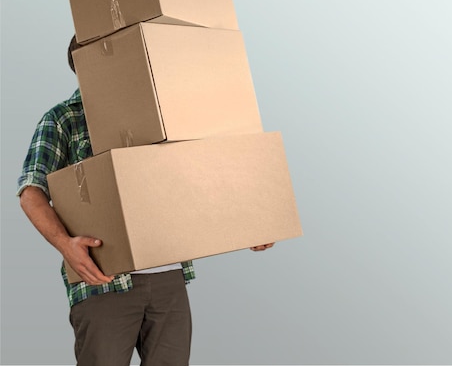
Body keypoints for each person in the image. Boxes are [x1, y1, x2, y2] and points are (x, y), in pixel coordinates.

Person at [17, 35, 274, 366]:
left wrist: (248, 225)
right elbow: (30, 190)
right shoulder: (63, 118)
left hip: (168, 278)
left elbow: (197, 178)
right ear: (82, 64)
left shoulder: (159, 115)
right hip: (104, 279)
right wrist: (66, 245)